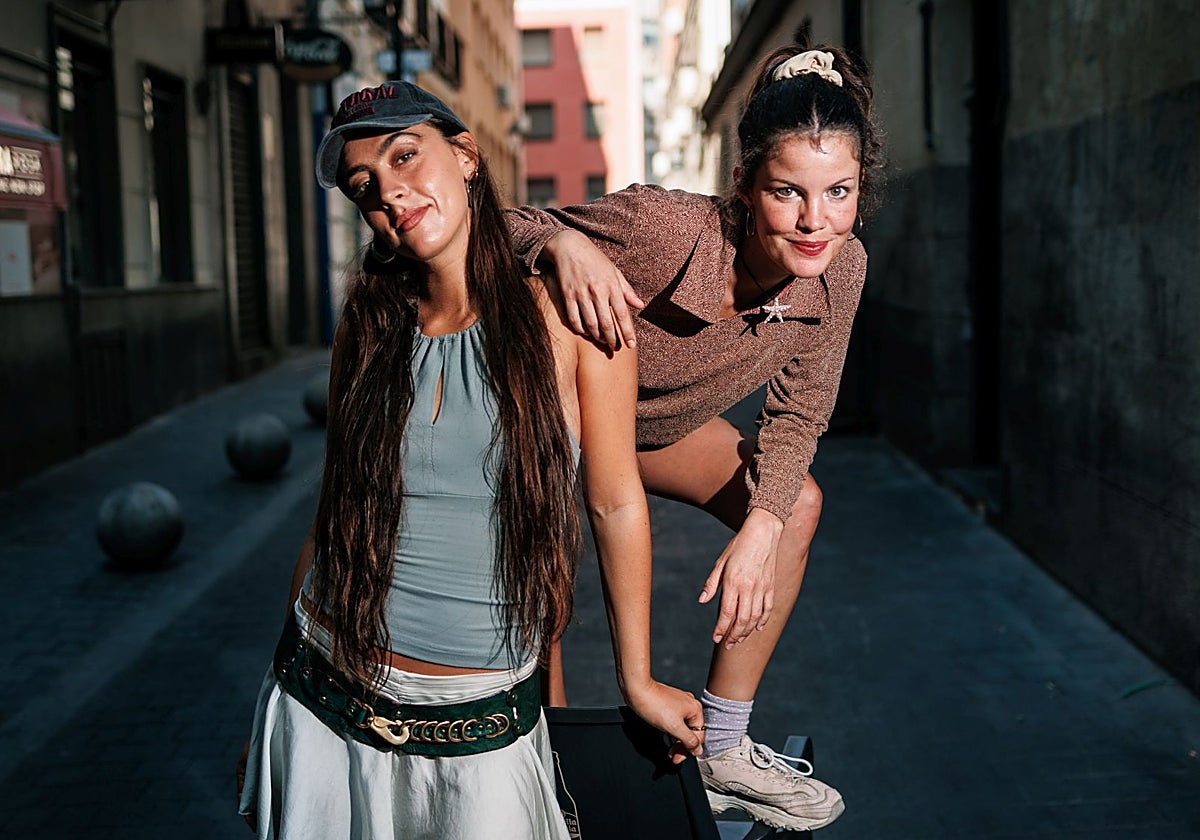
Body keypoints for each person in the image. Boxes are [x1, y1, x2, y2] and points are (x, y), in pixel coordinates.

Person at [236, 81, 704, 840]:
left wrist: (637, 677)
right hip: (323, 696)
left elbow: (616, 503)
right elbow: (335, 513)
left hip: (480, 728)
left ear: (465, 156)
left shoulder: (572, 314)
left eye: (405, 156)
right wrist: (274, 698)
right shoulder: (368, 324)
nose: (391, 191)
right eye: (366, 186)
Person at [504, 45, 882, 832]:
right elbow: (501, 224)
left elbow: (800, 412)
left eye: (838, 193)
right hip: (549, 419)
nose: (817, 222)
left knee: (797, 503)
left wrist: (763, 528)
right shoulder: (666, 229)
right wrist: (561, 244)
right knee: (548, 582)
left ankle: (725, 747)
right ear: (745, 188)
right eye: (788, 193)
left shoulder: (841, 271)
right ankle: (542, 768)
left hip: (651, 432)